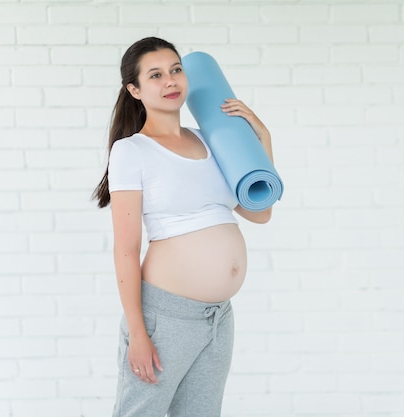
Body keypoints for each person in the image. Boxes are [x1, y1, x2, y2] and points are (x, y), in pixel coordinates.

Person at [92, 36, 275, 417]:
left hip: (218, 316)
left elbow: (260, 212)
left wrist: (263, 140)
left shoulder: (212, 140)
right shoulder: (131, 150)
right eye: (156, 75)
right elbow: (125, 249)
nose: (170, 80)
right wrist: (139, 334)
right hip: (165, 317)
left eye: (176, 70)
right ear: (135, 89)